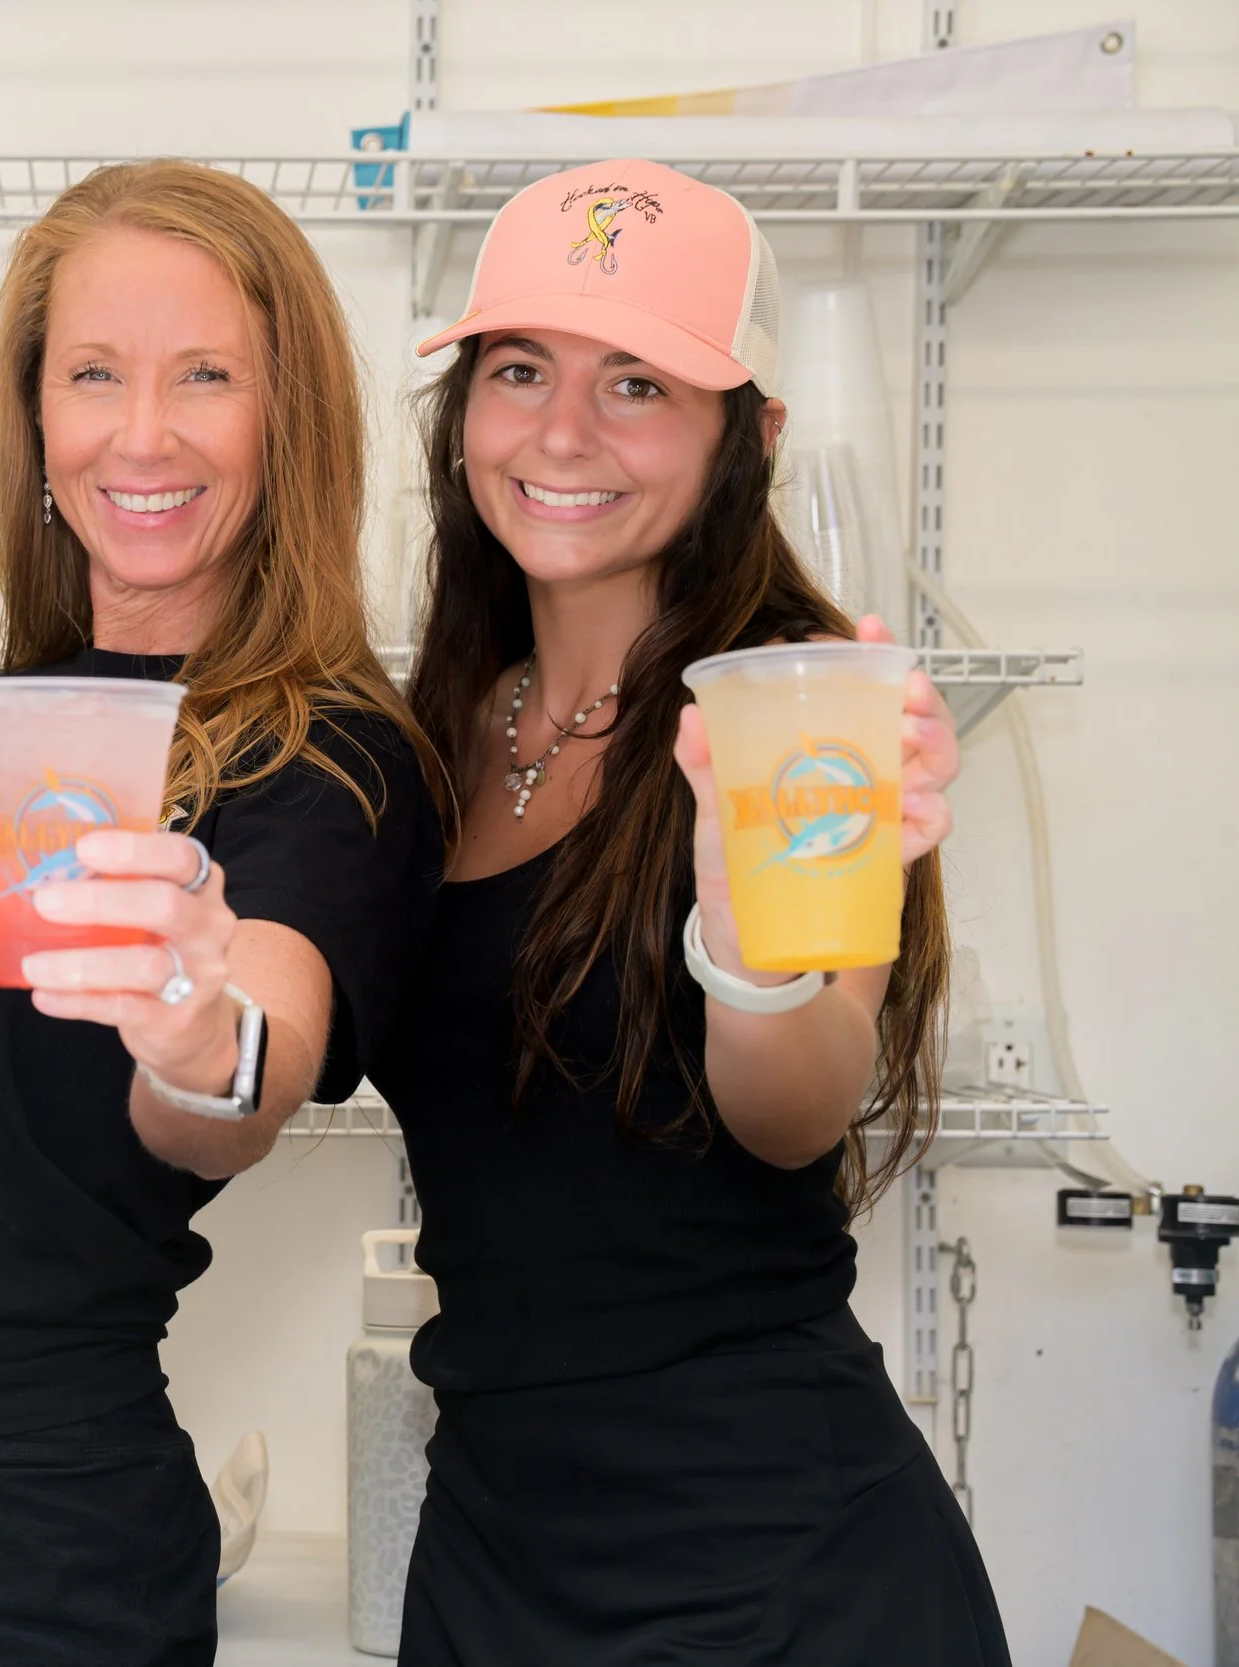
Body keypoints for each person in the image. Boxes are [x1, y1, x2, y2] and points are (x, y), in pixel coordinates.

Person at [0, 160, 436, 1666]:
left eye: (208, 377)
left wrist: (194, 1034)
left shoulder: (327, 749)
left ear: (285, 422)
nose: (144, 431)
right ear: (37, 421)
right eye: (94, 373)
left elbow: (249, 1067)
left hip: (24, 1553)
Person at [376, 159, 1006, 1663]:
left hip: (772, 1562)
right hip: (493, 1544)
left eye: (640, 383)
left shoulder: (800, 719)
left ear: (751, 436)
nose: (563, 431)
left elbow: (798, 1110)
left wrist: (739, 922)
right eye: (518, 368)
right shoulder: (445, 721)